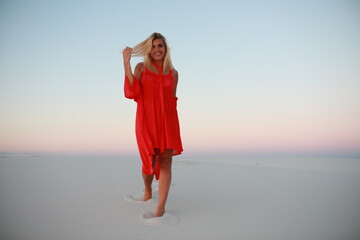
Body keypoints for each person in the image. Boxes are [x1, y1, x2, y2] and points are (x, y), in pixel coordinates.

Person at [122, 33, 183, 217]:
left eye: (160, 46)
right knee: (149, 160)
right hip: (147, 120)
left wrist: (171, 126)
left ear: (166, 49)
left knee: (166, 161)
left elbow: (172, 100)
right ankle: (147, 189)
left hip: (168, 122)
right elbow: (132, 91)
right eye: (154, 46)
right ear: (149, 49)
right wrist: (126, 64)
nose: (157, 50)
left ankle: (160, 208)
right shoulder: (141, 68)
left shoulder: (174, 73)